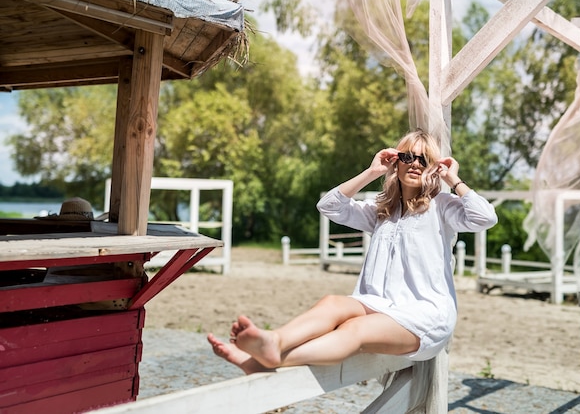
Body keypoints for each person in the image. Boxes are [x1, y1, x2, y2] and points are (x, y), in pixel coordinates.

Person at [207, 129, 497, 374]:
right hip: (377, 304)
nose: (415, 164)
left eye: (425, 159)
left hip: (424, 316)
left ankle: (267, 362)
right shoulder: (381, 210)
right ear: (396, 163)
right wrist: (371, 172)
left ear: (434, 167)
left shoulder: (443, 207)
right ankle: (275, 340)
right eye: (407, 157)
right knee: (334, 303)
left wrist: (453, 180)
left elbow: (485, 217)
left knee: (354, 329)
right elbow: (329, 206)